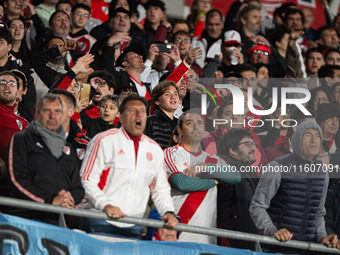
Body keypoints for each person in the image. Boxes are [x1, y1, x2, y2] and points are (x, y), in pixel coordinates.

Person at [79, 94, 178, 239]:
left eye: (143, 111)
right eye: (133, 110)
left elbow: (161, 189)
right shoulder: (103, 140)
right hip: (99, 219)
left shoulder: (155, 149)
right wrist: (105, 205)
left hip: (133, 224)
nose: (139, 114)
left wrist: (168, 212)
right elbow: (87, 179)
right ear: (121, 116)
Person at [249, 120, 340, 251]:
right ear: (297, 140)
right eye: (308, 135)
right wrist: (273, 231)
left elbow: (319, 213)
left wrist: (322, 236)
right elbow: (257, 207)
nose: (314, 140)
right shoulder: (277, 166)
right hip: (275, 248)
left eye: (318, 136)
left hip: (307, 249)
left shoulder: (322, 173)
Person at [164, 109, 240, 244]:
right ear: (179, 131)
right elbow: (181, 183)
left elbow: (235, 177)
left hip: (207, 232)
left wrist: (204, 167)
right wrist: (213, 182)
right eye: (189, 123)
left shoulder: (213, 160)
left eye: (199, 123)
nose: (195, 127)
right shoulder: (170, 153)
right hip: (177, 229)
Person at [6, 93, 84, 224]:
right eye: (47, 110)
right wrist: (49, 201)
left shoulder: (68, 148)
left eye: (57, 111)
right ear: (37, 113)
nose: (53, 116)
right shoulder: (22, 139)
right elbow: (16, 179)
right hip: (23, 218)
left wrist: (70, 200)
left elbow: (77, 188)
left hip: (58, 221)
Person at [217, 128, 259, 249]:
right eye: (247, 144)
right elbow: (223, 211)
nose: (253, 148)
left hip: (249, 241)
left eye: (253, 144)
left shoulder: (250, 172)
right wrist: (228, 245)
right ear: (233, 150)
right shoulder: (225, 170)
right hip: (233, 245)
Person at [145, 80, 179, 149]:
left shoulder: (181, 123)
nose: (173, 97)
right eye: (167, 94)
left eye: (175, 94)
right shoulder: (149, 121)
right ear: (157, 101)